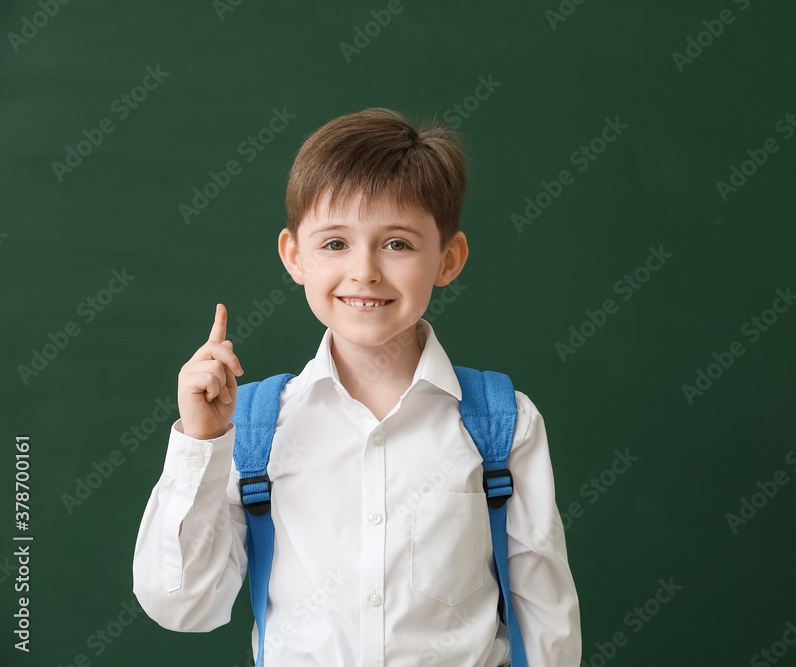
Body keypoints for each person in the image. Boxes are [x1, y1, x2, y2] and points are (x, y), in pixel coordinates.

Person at [132, 107, 582, 666]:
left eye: (397, 244)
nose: (364, 271)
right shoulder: (256, 430)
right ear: (294, 256)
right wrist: (200, 444)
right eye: (335, 243)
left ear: (448, 258)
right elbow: (183, 607)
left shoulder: (500, 423)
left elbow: (544, 618)